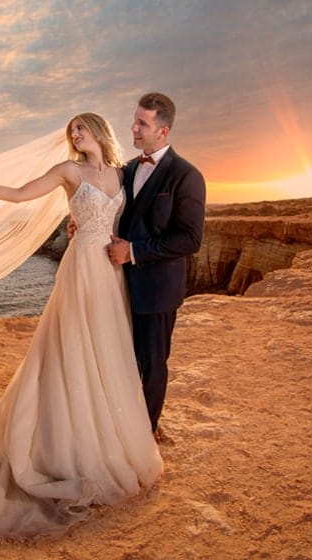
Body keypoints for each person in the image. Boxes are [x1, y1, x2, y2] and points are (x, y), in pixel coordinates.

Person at [0, 113, 162, 540]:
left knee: (108, 352)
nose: (75, 135)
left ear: (99, 131)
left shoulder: (123, 174)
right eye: (71, 132)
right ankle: (61, 450)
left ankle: (103, 445)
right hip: (81, 269)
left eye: (81, 128)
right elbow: (22, 194)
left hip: (110, 272)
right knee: (72, 350)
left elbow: (131, 222)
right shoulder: (68, 170)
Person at [107, 92, 206, 438]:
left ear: (162, 131)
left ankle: (145, 433)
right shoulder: (129, 169)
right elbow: (115, 213)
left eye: (142, 123)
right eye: (134, 120)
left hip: (157, 291)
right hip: (119, 284)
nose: (133, 128)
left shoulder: (186, 176)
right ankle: (121, 424)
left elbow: (190, 239)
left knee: (151, 364)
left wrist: (133, 251)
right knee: (120, 359)